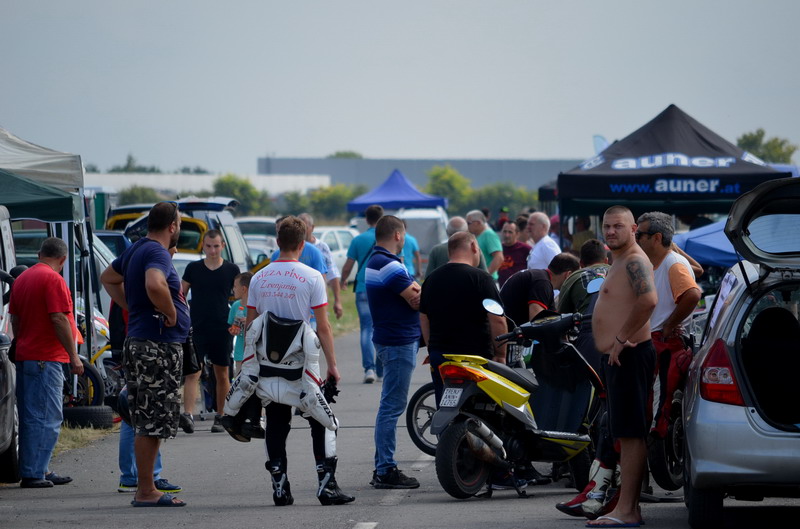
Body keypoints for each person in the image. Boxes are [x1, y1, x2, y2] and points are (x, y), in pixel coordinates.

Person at [226, 215, 353, 506]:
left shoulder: (259, 278)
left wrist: (249, 369)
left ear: (278, 242)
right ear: (302, 243)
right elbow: (323, 327)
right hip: (302, 365)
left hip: (268, 364)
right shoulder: (312, 277)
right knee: (322, 421)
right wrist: (333, 365)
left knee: (276, 422)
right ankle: (326, 487)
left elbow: (252, 326)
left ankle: (280, 488)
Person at [101, 201, 190, 507]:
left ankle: (145, 486)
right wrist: (171, 312)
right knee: (152, 420)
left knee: (144, 418)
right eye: (180, 224)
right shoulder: (156, 252)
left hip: (141, 341)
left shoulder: (137, 248)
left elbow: (108, 278)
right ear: (172, 226)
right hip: (156, 345)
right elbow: (154, 283)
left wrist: (132, 307)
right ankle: (147, 490)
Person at [587, 205, 657, 528]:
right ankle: (626, 507)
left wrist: (620, 337)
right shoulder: (619, 259)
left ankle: (627, 510)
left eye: (618, 226)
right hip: (618, 358)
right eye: (607, 226)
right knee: (624, 433)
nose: (611, 231)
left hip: (629, 354)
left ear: (633, 230)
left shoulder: (633, 260)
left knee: (631, 435)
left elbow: (649, 300)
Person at [9, 237, 83, 488]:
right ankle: (34, 472)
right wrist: (73, 356)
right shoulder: (53, 279)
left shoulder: (23, 279)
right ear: (63, 259)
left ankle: (39, 467)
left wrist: (21, 342)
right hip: (46, 357)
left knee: (31, 415)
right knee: (47, 417)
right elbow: (59, 318)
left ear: (40, 254)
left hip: (27, 355)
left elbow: (15, 318)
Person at [365, 215, 422, 489]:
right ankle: (385, 469)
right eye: (404, 235)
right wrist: (419, 289)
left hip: (391, 338)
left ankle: (382, 466)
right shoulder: (387, 264)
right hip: (398, 341)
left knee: (389, 405)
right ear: (398, 235)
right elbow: (417, 299)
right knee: (392, 406)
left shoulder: (378, 260)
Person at [420, 231, 507, 405]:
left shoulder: (431, 279)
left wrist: (432, 348)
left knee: (444, 405)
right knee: (480, 407)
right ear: (474, 246)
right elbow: (497, 319)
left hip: (441, 356)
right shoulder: (481, 278)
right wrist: (500, 354)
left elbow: (424, 317)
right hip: (475, 356)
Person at [181, 230, 240, 433]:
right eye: (208, 246)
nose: (212, 250)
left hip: (222, 328)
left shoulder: (231, 269)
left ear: (223, 246)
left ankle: (221, 415)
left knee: (222, 373)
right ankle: (188, 415)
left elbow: (241, 297)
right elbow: (180, 294)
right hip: (197, 327)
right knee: (193, 372)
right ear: (203, 246)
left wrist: (239, 319)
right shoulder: (193, 268)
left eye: (216, 246)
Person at [340, 204, 383, 383]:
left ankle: (369, 369)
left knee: (366, 328)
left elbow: (348, 266)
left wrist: (343, 280)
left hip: (363, 288)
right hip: (383, 289)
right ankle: (381, 368)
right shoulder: (387, 237)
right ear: (381, 218)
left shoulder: (358, 240)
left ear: (366, 219)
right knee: (381, 327)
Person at [557, 239, 610, 371]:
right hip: (622, 335)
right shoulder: (619, 271)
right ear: (606, 260)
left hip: (589, 338)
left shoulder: (573, 278)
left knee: (590, 381)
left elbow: (561, 318)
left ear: (581, 263)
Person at [500, 253, 580, 327]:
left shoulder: (542, 279)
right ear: (568, 275)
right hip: (508, 330)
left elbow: (553, 318)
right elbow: (537, 322)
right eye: (575, 278)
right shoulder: (542, 283)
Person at [298, 213, 342, 319]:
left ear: (312, 228)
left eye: (305, 227)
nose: (302, 231)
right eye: (299, 228)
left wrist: (337, 301)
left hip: (316, 302)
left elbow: (332, 274)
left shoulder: (321, 247)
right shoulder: (292, 248)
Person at [466, 209, 503, 281]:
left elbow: (499, 258)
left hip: (487, 281)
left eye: (468, 223)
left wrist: (486, 276)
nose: (467, 226)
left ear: (478, 223)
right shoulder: (479, 235)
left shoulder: (489, 234)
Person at [228, 272, 253, 374]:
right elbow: (232, 326)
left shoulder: (257, 307)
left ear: (243, 289)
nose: (233, 289)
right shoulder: (235, 306)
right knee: (239, 379)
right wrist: (233, 330)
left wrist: (249, 321)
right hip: (239, 353)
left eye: (235, 286)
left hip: (254, 353)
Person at [497, 220, 531, 287]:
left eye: (510, 232)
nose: (507, 235)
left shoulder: (526, 249)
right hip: (499, 288)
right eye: (505, 231)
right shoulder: (497, 249)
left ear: (517, 234)